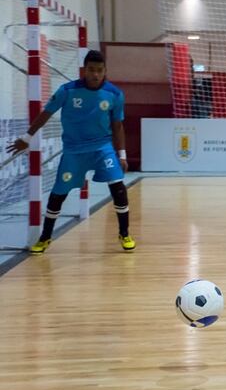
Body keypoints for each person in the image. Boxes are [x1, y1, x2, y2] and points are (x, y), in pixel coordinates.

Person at [5, 50, 135, 254]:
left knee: (118, 186)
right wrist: (27, 138)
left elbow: (117, 126)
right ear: (84, 70)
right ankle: (45, 237)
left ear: (105, 71)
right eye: (91, 70)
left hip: (102, 148)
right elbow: (46, 114)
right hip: (74, 150)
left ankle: (124, 233)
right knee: (58, 194)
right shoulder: (67, 90)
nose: (95, 75)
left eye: (99, 71)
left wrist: (122, 155)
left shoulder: (115, 94)